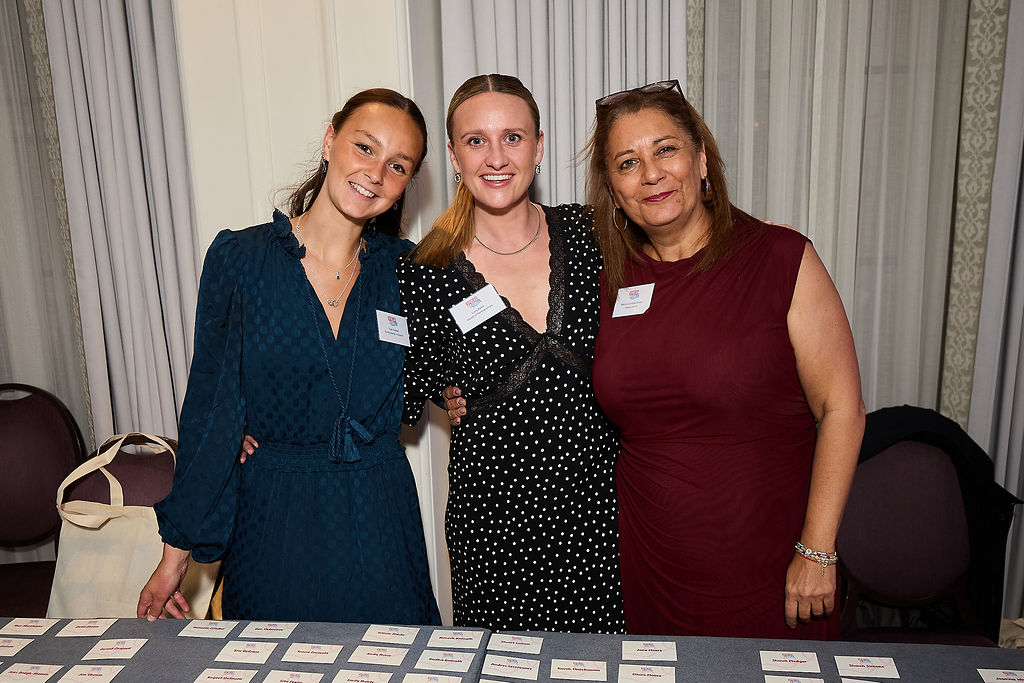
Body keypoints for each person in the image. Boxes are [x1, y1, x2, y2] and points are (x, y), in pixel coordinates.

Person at [137, 88, 440, 625]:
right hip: (275, 517)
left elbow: (459, 359)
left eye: (398, 165)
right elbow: (210, 409)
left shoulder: (410, 270)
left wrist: (458, 393)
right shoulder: (241, 261)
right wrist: (173, 558)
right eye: (364, 147)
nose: (375, 173)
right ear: (330, 140)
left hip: (380, 516)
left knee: (395, 659)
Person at [585, 80, 865, 639]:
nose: (651, 174)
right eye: (627, 163)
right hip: (652, 568)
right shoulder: (612, 281)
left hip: (775, 572)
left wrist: (818, 550)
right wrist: (457, 384)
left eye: (666, 149)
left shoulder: (781, 258)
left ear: (701, 160)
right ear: (614, 192)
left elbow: (842, 409)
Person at [399, 74, 623, 633]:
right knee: (504, 665)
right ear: (454, 156)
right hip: (494, 527)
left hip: (601, 513)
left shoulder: (593, 233)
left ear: (538, 146)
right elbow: (399, 383)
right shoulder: (426, 269)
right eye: (476, 140)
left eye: (513, 138)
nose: (496, 158)